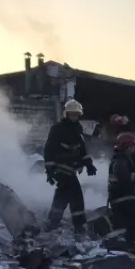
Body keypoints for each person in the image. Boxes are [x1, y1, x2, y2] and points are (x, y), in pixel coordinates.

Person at [43, 99, 97, 233]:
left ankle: (52, 222)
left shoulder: (78, 130)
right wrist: (50, 170)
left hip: (71, 169)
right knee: (76, 197)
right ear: (66, 114)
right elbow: (49, 150)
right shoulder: (57, 129)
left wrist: (89, 165)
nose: (74, 117)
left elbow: (82, 149)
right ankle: (79, 226)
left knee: (62, 196)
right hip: (61, 169)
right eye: (72, 114)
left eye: (76, 115)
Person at [108, 132, 135, 245]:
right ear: (127, 146)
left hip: (121, 199)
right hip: (125, 199)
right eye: (133, 146)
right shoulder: (121, 161)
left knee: (130, 227)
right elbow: (124, 178)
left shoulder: (119, 160)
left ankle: (133, 248)